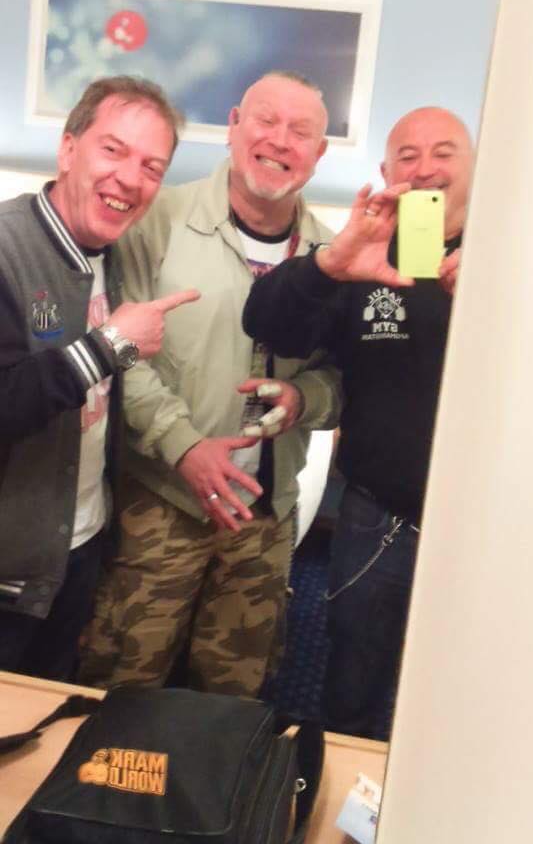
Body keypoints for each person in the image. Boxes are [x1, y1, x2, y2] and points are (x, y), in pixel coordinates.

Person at [79, 71, 342, 696]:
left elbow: (341, 378)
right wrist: (185, 446)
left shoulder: (334, 256)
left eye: (300, 131)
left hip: (264, 518)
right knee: (121, 689)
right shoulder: (157, 220)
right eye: (265, 120)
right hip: (162, 502)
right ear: (233, 125)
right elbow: (120, 351)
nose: (279, 140)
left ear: (319, 153)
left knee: (232, 702)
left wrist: (305, 398)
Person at [242, 106, 474, 739]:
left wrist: (499, 303)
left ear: (475, 166)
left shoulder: (517, 257)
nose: (425, 168)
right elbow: (269, 325)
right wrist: (328, 266)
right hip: (378, 517)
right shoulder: (366, 253)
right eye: (407, 155)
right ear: (386, 170)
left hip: (484, 526)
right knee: (352, 684)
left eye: (444, 152)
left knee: (464, 693)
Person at [0, 75, 199, 681]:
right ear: (68, 149)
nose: (130, 178)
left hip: (78, 550)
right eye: (113, 150)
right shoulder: (6, 248)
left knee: (45, 720)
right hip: (7, 574)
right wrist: (109, 346)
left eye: (151, 167)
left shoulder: (114, 258)